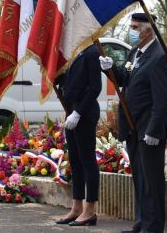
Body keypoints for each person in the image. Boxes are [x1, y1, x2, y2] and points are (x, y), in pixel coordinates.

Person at [99, 13, 167, 233]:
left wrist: (154, 129)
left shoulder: (160, 57)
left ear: (148, 30)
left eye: (135, 27)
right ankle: (142, 222)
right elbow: (124, 80)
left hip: (149, 129)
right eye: (131, 26)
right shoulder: (134, 53)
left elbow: (162, 99)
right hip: (132, 127)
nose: (131, 30)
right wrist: (110, 69)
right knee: (140, 180)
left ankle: (153, 226)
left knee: (152, 181)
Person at [55, 43, 101, 227]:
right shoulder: (75, 51)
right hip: (71, 110)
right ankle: (76, 207)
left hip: (85, 112)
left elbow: (94, 87)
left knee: (87, 160)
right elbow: (74, 80)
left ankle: (90, 210)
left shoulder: (91, 52)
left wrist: (79, 111)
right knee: (75, 160)